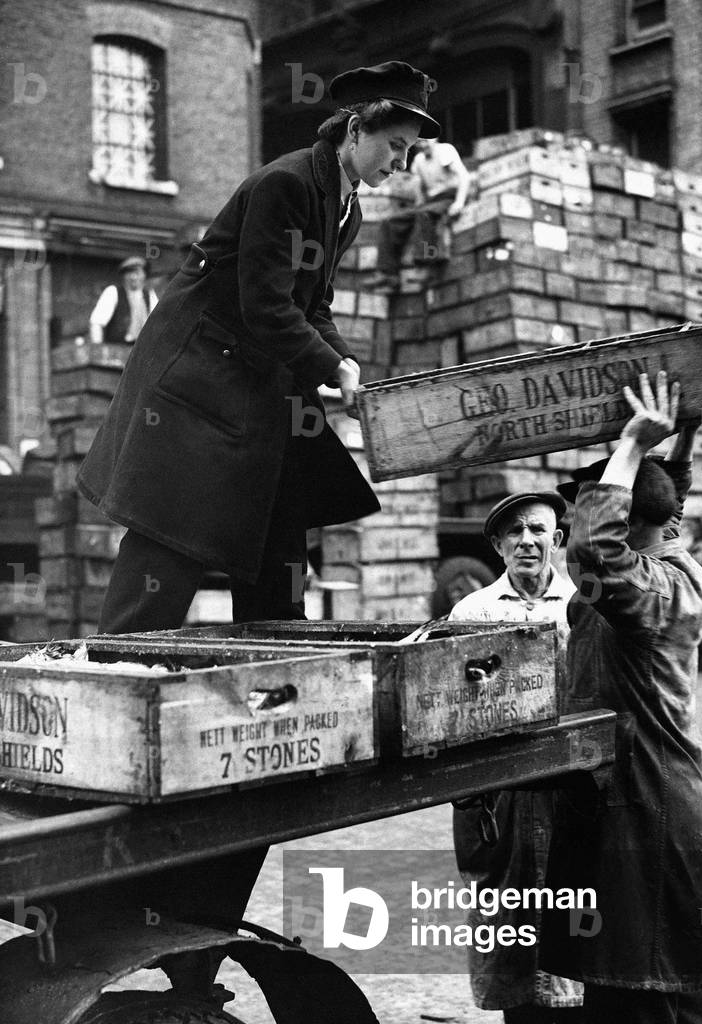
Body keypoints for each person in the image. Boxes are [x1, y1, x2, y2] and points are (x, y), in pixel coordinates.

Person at [74, 60, 440, 1001]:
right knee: (170, 543)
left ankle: (275, 679)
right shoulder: (285, 184)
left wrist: (341, 367)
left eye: (410, 153)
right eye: (396, 146)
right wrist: (329, 365)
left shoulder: (345, 204)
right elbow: (267, 306)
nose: (402, 163)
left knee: (284, 526)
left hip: (258, 394)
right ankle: (101, 701)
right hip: (197, 395)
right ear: (357, 127)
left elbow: (306, 313)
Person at [540, 371, 702, 1024]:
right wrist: (681, 437)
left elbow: (591, 557)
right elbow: (666, 504)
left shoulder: (650, 592)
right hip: (625, 801)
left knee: (662, 984)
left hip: (650, 808)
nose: (576, 518)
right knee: (623, 978)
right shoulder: (669, 559)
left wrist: (629, 445)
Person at [450, 491, 584, 1024]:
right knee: (510, 926)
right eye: (514, 532)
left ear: (557, 540)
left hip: (570, 791)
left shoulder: (585, 605)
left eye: (537, 530)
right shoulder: (473, 611)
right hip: (501, 799)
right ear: (498, 546)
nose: (526, 540)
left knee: (575, 913)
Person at [365, 135, 470, 290]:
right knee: (390, 221)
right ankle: (388, 273)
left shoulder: (445, 151)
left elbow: (464, 176)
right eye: (420, 142)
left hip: (449, 196)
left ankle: (426, 264)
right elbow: (420, 186)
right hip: (431, 201)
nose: (424, 145)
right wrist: (418, 204)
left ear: (435, 140)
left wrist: (459, 202)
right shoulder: (419, 161)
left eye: (427, 141)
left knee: (425, 216)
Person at [88, 255, 158, 344]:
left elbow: (157, 323)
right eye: (129, 273)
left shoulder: (150, 295)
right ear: (124, 276)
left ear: (144, 275)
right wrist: (98, 348)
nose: (133, 277)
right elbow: (96, 323)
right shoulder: (113, 292)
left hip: (141, 349)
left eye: (137, 273)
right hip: (117, 348)